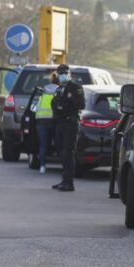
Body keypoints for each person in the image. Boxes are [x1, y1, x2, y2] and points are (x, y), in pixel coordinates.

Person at [51, 64, 85, 192]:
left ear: (69, 74)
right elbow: (54, 104)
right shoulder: (59, 88)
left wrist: (69, 100)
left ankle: (69, 182)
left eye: (65, 73)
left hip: (71, 123)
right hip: (60, 123)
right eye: (60, 73)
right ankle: (64, 179)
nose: (62, 76)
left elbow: (80, 104)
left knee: (68, 152)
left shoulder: (75, 87)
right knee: (61, 152)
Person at [34, 72, 59, 174]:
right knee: (60, 143)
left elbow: (36, 106)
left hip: (40, 120)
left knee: (43, 145)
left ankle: (42, 166)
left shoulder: (44, 91)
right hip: (53, 120)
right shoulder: (59, 90)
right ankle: (64, 165)